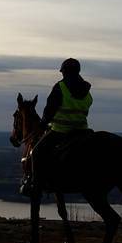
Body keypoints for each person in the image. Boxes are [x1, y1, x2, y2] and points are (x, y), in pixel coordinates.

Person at [21, 58, 93, 195]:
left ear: (65, 72)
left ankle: (35, 186)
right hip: (82, 131)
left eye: (63, 72)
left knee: (36, 152)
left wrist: (42, 125)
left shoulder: (60, 87)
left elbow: (49, 111)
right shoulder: (86, 90)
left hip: (61, 131)